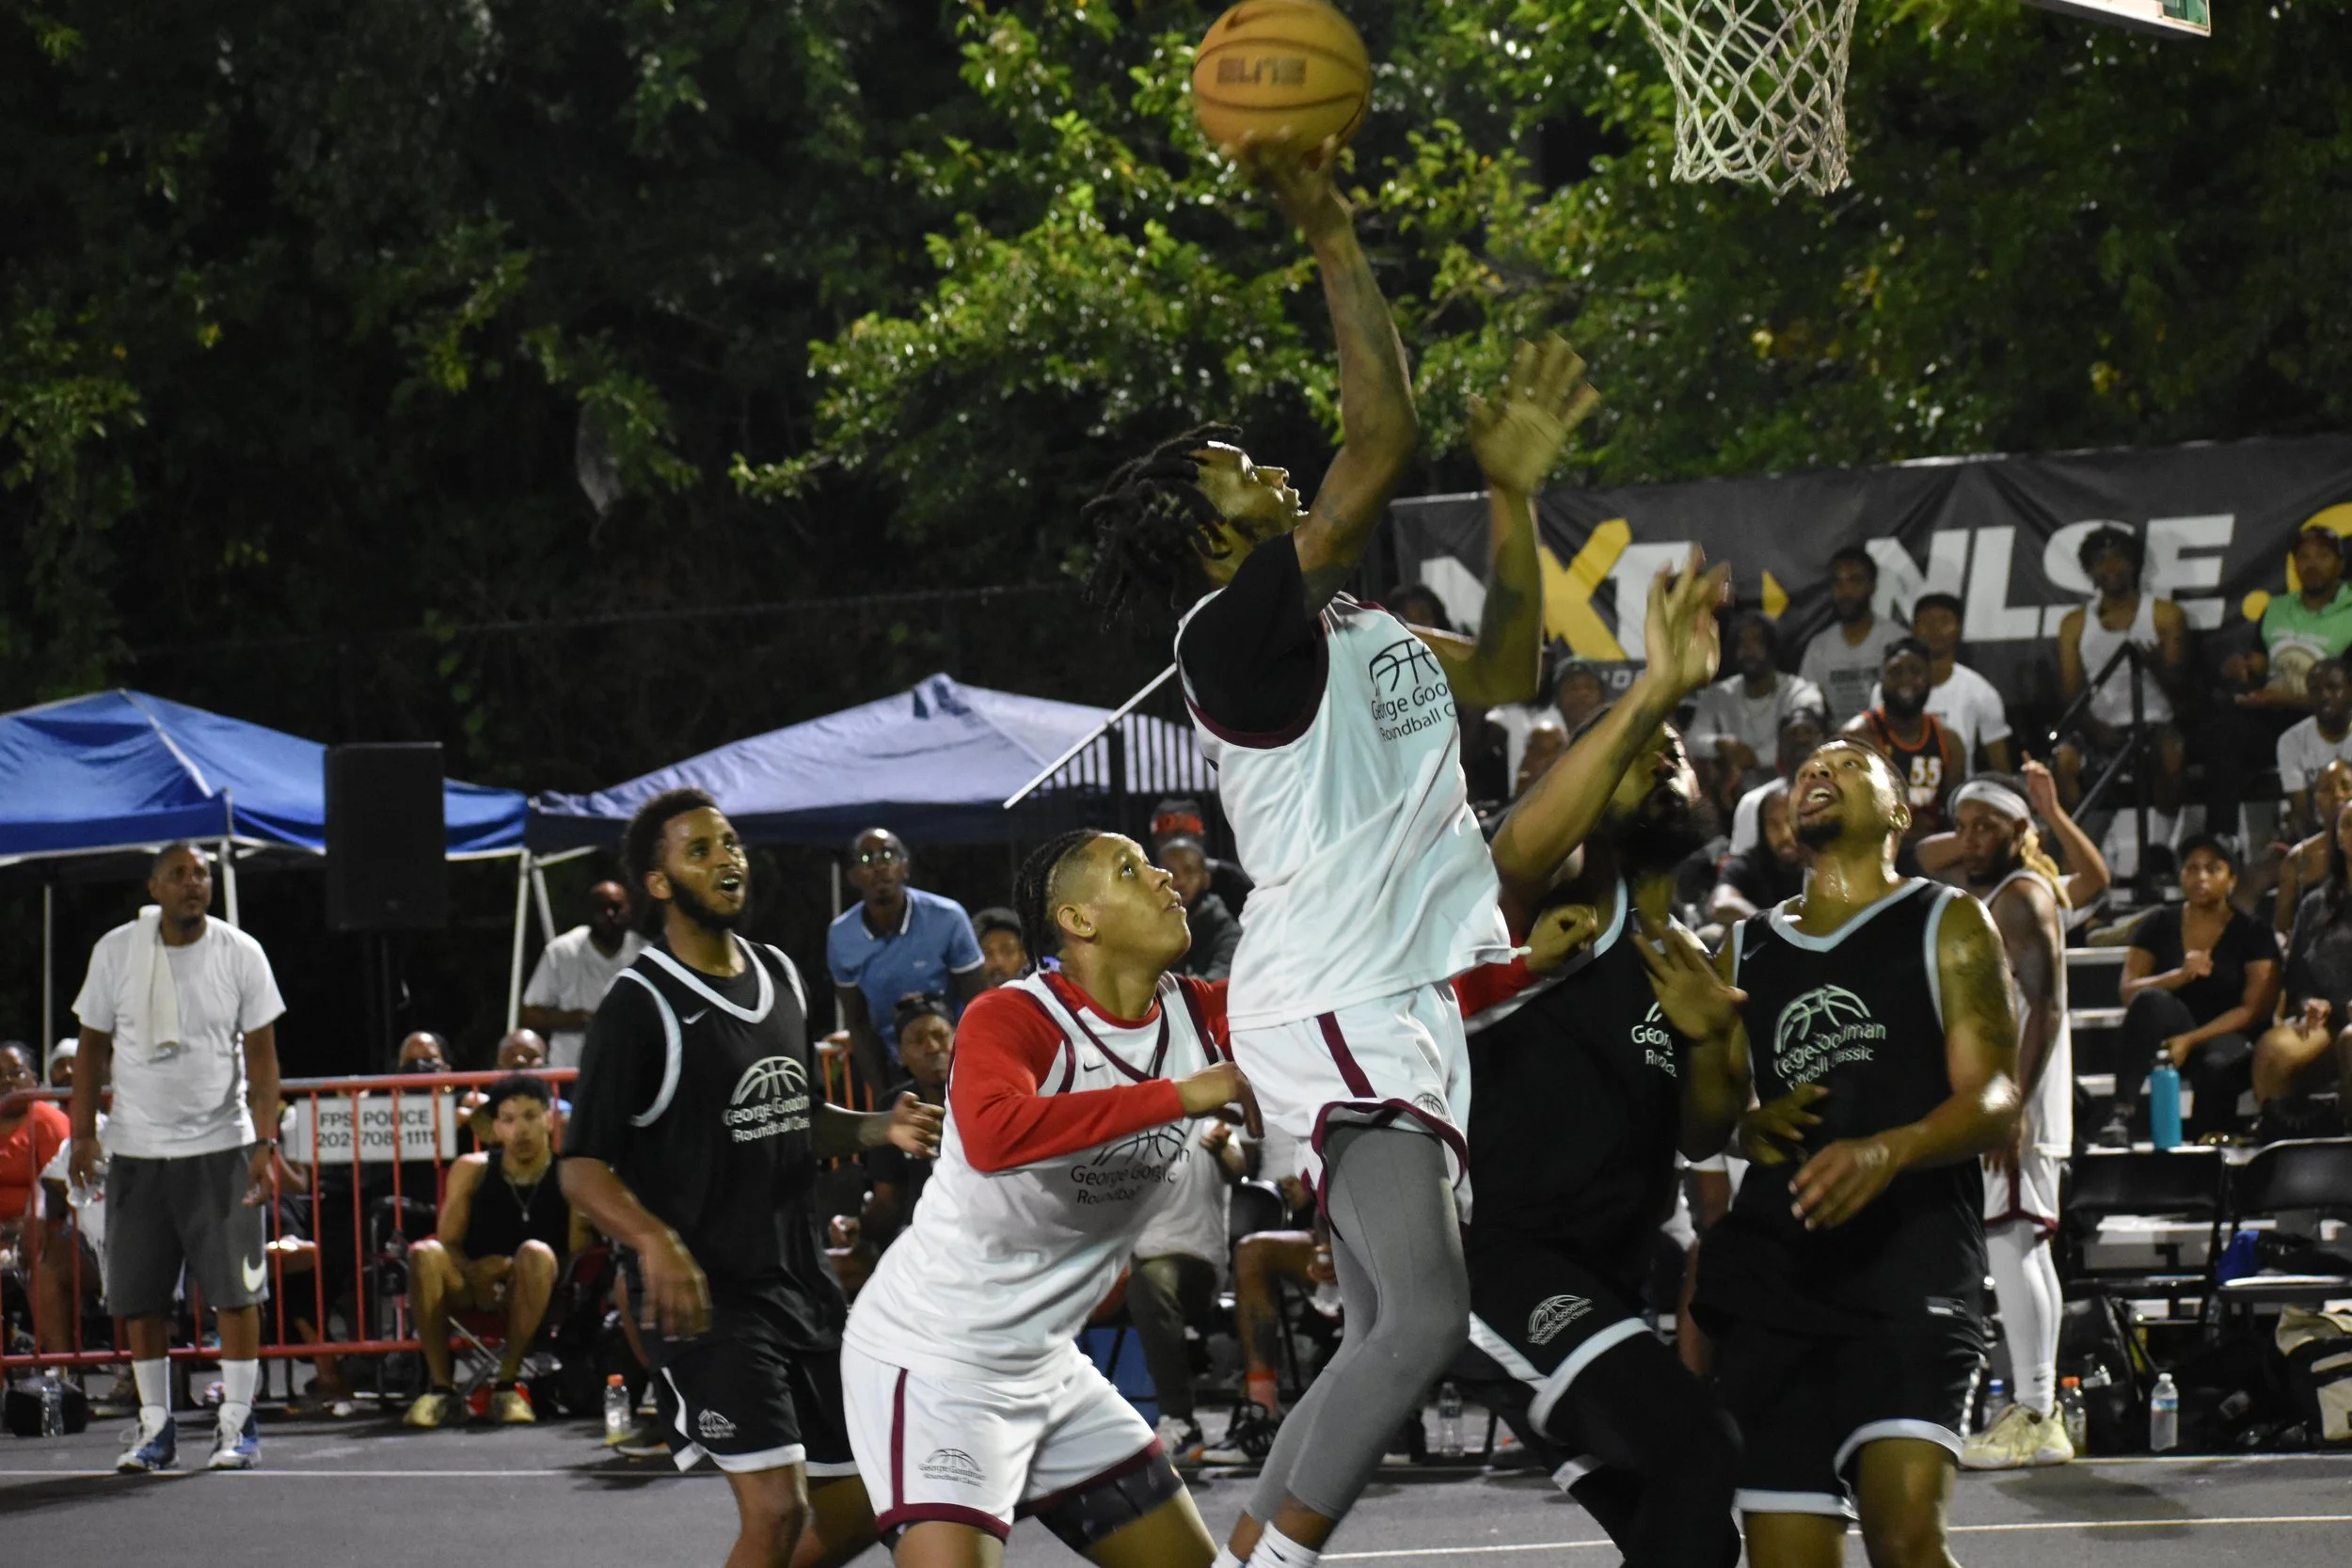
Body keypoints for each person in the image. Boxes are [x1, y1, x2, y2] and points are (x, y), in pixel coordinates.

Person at [1078, 126, 1594, 1568]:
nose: (1276, 467)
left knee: (1382, 1323)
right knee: (1427, 1317)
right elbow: (1382, 443)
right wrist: (1324, 222)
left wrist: (1514, 498)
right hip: (1337, 983)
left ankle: (1247, 1551)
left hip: (1389, 988)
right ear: (1205, 533)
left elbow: (1501, 668)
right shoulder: (1228, 637)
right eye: (1242, 468)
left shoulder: (1358, 627)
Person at [839, 829, 1256, 1566]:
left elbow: (1343, 1013)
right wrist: (1181, 1095)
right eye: (1131, 869)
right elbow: (997, 1131)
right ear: (1079, 920)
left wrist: (1516, 968)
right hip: (936, 1356)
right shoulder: (1013, 1015)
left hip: (1046, 1366)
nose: (1163, 876)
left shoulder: (1197, 1013)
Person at [1448, 554, 1749, 1568]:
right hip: (1499, 1262)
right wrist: (1650, 689)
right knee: (1696, 1453)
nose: (1661, 759)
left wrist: (1715, 1040)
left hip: (1608, 1276)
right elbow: (1515, 852)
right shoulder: (1551, 907)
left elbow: (1707, 1130)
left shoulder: (1700, 957)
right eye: (1631, 752)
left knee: (1691, 1528)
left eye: (1675, 752)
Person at [563, 788, 940, 1568]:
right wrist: (655, 1242)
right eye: (698, 849)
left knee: (863, 1506)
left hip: (800, 1281)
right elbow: (581, 1165)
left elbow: (794, 1109)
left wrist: (877, 1126)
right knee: (776, 1510)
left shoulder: (779, 974)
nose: (726, 857)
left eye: (729, 842)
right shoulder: (640, 1005)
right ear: (659, 883)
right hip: (706, 1291)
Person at [1667, 740, 2022, 1566]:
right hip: (1781, 1279)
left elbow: (1997, 1097)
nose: (1816, 775)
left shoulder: (1947, 918)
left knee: (1905, 1541)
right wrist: (1718, 1062)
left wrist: (1891, 1149)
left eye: (1849, 765)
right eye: (1804, 774)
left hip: (1914, 1265)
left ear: (1899, 811)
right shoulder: (1741, 948)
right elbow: (1700, 1130)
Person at [69, 842, 285, 1473]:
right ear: (155, 886)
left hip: (221, 1143)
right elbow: (90, 1050)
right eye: (180, 875)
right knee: (139, 1295)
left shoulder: (239, 952)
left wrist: (266, 1141)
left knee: (236, 1292)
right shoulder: (116, 951)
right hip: (137, 1147)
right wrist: (84, 1133)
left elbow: (265, 1058)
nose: (194, 884)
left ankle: (238, 1421)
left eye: (202, 875)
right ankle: (156, 1426)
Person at [1934, 780, 2083, 1470]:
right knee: (2025, 1248)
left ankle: (2035, 1410)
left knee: (2010, 1247)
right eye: (1963, 824)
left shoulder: (2021, 896)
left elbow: (2045, 1008)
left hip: (2018, 1107)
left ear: (2020, 831)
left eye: (1986, 826)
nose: (1969, 838)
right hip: (2022, 1102)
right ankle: (2039, 1408)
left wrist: (2011, 1107)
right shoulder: (2013, 892)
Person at [405, 1072, 591, 1426]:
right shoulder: (471, 1170)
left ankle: (507, 1384)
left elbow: (575, 1254)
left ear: (550, 1120)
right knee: (424, 1254)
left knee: (535, 1253)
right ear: (495, 1127)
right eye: (508, 1120)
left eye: (530, 1117)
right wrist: (475, 1273)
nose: (520, 1130)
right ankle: (442, 1390)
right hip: (473, 1283)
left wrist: (510, 1270)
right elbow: (449, 1243)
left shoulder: (571, 1174)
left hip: (538, 1286)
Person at [2106, 836, 2280, 1145]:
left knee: (2217, 1067)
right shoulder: (2158, 922)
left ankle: (2205, 1147)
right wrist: (2180, 975)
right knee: (2149, 1000)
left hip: (2231, 1038)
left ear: (2232, 878)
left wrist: (2191, 1040)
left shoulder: (2253, 932)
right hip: (2177, 1031)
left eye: (2213, 869)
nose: (2201, 877)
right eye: (2192, 868)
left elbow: (2254, 1009)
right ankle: (2121, 1114)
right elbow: (2128, 991)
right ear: (2181, 876)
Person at [2208, 522, 2352, 837]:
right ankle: (2222, 842)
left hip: (2330, 720)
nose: (2311, 564)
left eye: (2322, 556)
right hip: (2273, 715)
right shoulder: (2277, 608)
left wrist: (2289, 699)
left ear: (2340, 564)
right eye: (2303, 557)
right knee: (2224, 734)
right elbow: (2261, 663)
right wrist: (2246, 672)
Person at [2054, 526, 2187, 845]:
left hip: (2153, 723)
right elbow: (2071, 694)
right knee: (2063, 760)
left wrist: (2157, 666)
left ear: (2135, 565)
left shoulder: (2165, 615)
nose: (2111, 568)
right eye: (2101, 561)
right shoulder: (2074, 623)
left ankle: (2161, 847)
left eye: (2119, 559)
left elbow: (2184, 691)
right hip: (2098, 726)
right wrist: (2095, 728)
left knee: (2171, 754)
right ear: (2090, 570)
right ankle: (2082, 847)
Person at [827, 827, 988, 1091]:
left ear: (905, 867)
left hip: (956, 1058)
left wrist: (979, 1067)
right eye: (867, 859)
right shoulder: (841, 936)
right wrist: (884, 1095)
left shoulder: (947, 918)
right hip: (897, 1064)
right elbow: (857, 1022)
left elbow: (980, 1003)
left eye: (888, 855)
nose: (880, 866)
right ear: (853, 876)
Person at [1129, 1115, 1247, 1465]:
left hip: (1195, 1264)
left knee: (1150, 1282)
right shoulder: (1127, 1128)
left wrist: (1225, 1149)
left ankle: (1179, 1420)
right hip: (1127, 1263)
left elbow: (1236, 1167)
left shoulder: (1210, 1125)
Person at [2254, 797, 2352, 1137]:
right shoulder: (2316, 904)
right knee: (2273, 1049)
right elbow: (2298, 978)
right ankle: (2280, 1155)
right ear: (2339, 837)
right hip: (2330, 1019)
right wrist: (2309, 1000)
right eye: (2349, 825)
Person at [854, 993, 955, 1255]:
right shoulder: (894, 1107)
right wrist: (856, 1229)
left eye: (940, 1035)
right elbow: (888, 1203)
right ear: (901, 1055)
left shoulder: (988, 1094)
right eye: (918, 1040)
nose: (932, 1047)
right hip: (919, 1241)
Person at [1849, 638, 1966, 855]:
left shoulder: (1949, 741)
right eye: (1895, 672)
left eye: (1915, 671)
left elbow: (1955, 815)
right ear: (1880, 678)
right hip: (1875, 853)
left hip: (1931, 854)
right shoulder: (1858, 736)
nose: (1906, 680)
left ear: (1930, 678)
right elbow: (1852, 815)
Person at [1686, 611, 1826, 787]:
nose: (1748, 651)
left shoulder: (1800, 691)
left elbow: (1806, 737)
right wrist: (1720, 744)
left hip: (1790, 782)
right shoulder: (1718, 694)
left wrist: (1754, 758)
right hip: (1733, 787)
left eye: (1756, 642)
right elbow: (1693, 739)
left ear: (1772, 648)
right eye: (1742, 643)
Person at [521, 879, 645, 1071]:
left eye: (616, 907)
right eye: (601, 908)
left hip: (630, 1072)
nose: (609, 914)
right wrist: (580, 1020)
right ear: (588, 912)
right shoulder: (561, 951)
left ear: (629, 910)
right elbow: (531, 1014)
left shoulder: (645, 953)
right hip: (572, 1072)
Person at [1799, 546, 1903, 726]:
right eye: (1838, 583)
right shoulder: (1819, 647)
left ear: (1872, 587)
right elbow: (1808, 706)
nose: (1845, 592)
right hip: (1838, 746)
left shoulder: (1896, 640)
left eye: (1855, 581)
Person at [1726, 706, 1830, 857]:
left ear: (1824, 740)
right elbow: (1740, 865)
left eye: (1808, 731)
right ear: (1780, 746)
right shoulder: (1753, 802)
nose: (1801, 739)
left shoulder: (1845, 795)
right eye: (1792, 734)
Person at [2268, 759, 2352, 936]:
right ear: (2315, 800)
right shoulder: (2298, 858)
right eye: (2326, 789)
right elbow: (2281, 928)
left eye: (2346, 786)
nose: (2337, 795)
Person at [1708, 781, 1808, 927]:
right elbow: (1721, 904)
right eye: (1774, 824)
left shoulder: (1823, 859)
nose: (1785, 834)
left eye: (1791, 820)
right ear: (1762, 826)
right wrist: (1770, 926)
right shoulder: (1747, 864)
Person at [2277, 657, 2352, 837]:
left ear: (2350, 691)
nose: (2324, 696)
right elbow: (2301, 813)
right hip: (2320, 834)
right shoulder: (2291, 741)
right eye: (2315, 690)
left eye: (2333, 687)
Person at [1161, 835, 1242, 981]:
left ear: (1206, 880)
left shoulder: (1227, 933)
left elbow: (1215, 988)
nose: (1179, 882)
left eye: (1189, 872)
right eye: (1170, 872)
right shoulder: (1149, 929)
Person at [970, 908, 1028, 990]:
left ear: (1024, 955)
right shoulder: (966, 1000)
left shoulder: (1043, 998)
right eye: (987, 953)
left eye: (1008, 951)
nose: (998, 962)